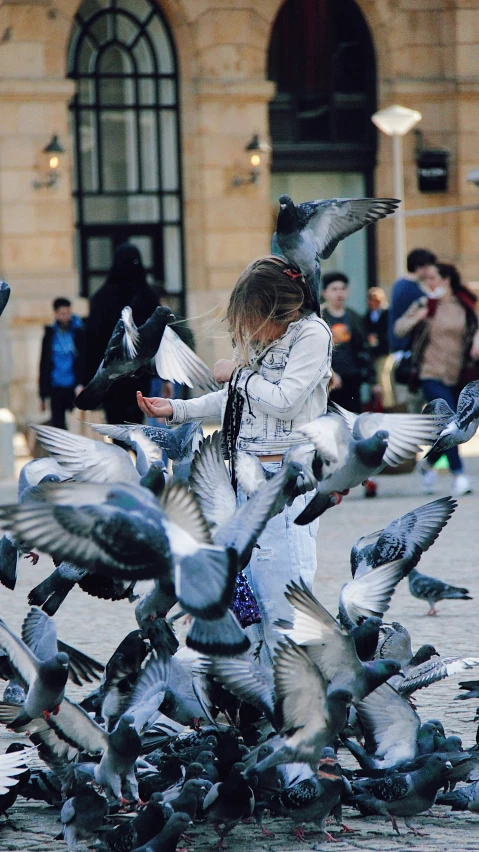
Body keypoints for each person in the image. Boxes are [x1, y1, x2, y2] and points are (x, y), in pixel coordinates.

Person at [137, 256, 333, 659]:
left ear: (282, 308)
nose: (250, 330)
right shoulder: (267, 340)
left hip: (285, 481)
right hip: (245, 478)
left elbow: (284, 400)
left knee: (285, 600)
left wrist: (238, 373)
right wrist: (177, 411)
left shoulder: (312, 335)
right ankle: (265, 696)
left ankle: (297, 698)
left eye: (255, 318)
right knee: (254, 600)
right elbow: (236, 398)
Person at [394, 261, 479, 496]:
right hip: (429, 373)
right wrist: (418, 317)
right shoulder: (424, 304)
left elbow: (476, 324)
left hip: (457, 375)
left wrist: (476, 339)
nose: (428, 284)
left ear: (446, 280)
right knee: (452, 421)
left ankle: (428, 464)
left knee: (455, 424)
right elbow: (399, 329)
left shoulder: (464, 305)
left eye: (432, 279)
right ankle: (459, 475)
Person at [84, 242, 158, 424]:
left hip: (117, 376)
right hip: (135, 375)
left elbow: (91, 343)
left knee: (120, 425)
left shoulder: (102, 298)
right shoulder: (147, 297)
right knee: (133, 425)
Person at [320, 271, 378, 414]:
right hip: (328, 381)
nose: (339, 293)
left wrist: (374, 382)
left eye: (343, 289)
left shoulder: (354, 318)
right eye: (334, 289)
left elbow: (364, 350)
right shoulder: (320, 318)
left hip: (352, 379)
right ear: (324, 293)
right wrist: (330, 372)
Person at [388, 248, 437, 412]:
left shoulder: (400, 285)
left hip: (404, 352)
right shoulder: (411, 289)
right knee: (412, 407)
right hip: (409, 353)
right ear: (421, 267)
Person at [39, 297, 85, 430]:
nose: (66, 317)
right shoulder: (50, 335)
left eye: (68, 313)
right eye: (62, 314)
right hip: (56, 387)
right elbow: (44, 364)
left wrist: (82, 383)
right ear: (56, 314)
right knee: (58, 426)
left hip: (73, 387)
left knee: (75, 426)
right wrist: (42, 395)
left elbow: (83, 361)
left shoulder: (78, 333)